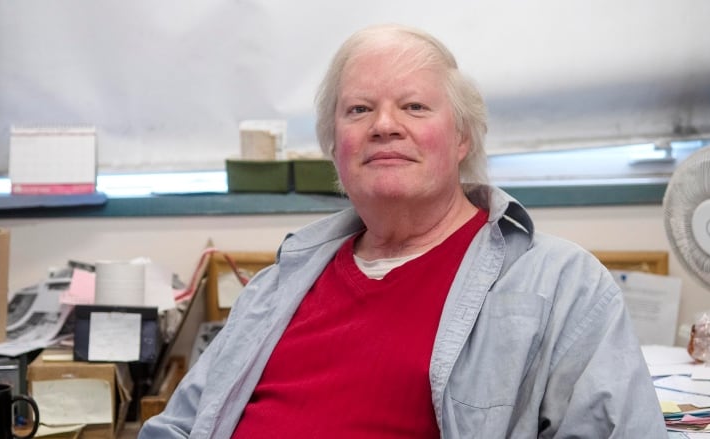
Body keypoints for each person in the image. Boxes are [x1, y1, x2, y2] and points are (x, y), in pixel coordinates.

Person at [139, 24, 667, 438]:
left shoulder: (563, 285)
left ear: (461, 138)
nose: (384, 125)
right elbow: (181, 424)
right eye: (359, 110)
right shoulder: (278, 285)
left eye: (414, 106)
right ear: (334, 146)